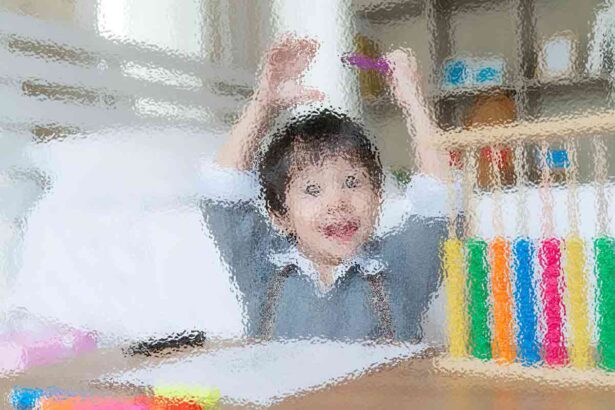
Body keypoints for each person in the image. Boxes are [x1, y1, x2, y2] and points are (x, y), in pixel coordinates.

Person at [202, 35, 450, 342]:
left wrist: (413, 100)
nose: (337, 202)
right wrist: (263, 104)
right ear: (280, 214)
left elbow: (440, 200)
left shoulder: (400, 265)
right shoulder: (263, 266)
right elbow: (224, 189)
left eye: (352, 182)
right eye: (312, 190)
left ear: (378, 198)